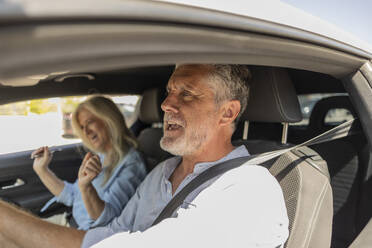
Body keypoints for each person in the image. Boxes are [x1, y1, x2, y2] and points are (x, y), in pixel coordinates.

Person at [0, 64, 288, 248]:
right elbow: (113, 231)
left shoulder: (249, 188)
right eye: (169, 92)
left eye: (186, 94)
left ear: (228, 112)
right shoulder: (161, 173)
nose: (165, 104)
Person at [31, 96, 147, 230]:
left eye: (90, 122)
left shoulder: (132, 164)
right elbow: (72, 196)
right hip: (70, 221)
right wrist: (42, 170)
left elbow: (107, 218)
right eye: (82, 126)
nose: (85, 131)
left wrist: (86, 187)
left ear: (109, 119)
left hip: (85, 235)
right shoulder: (102, 156)